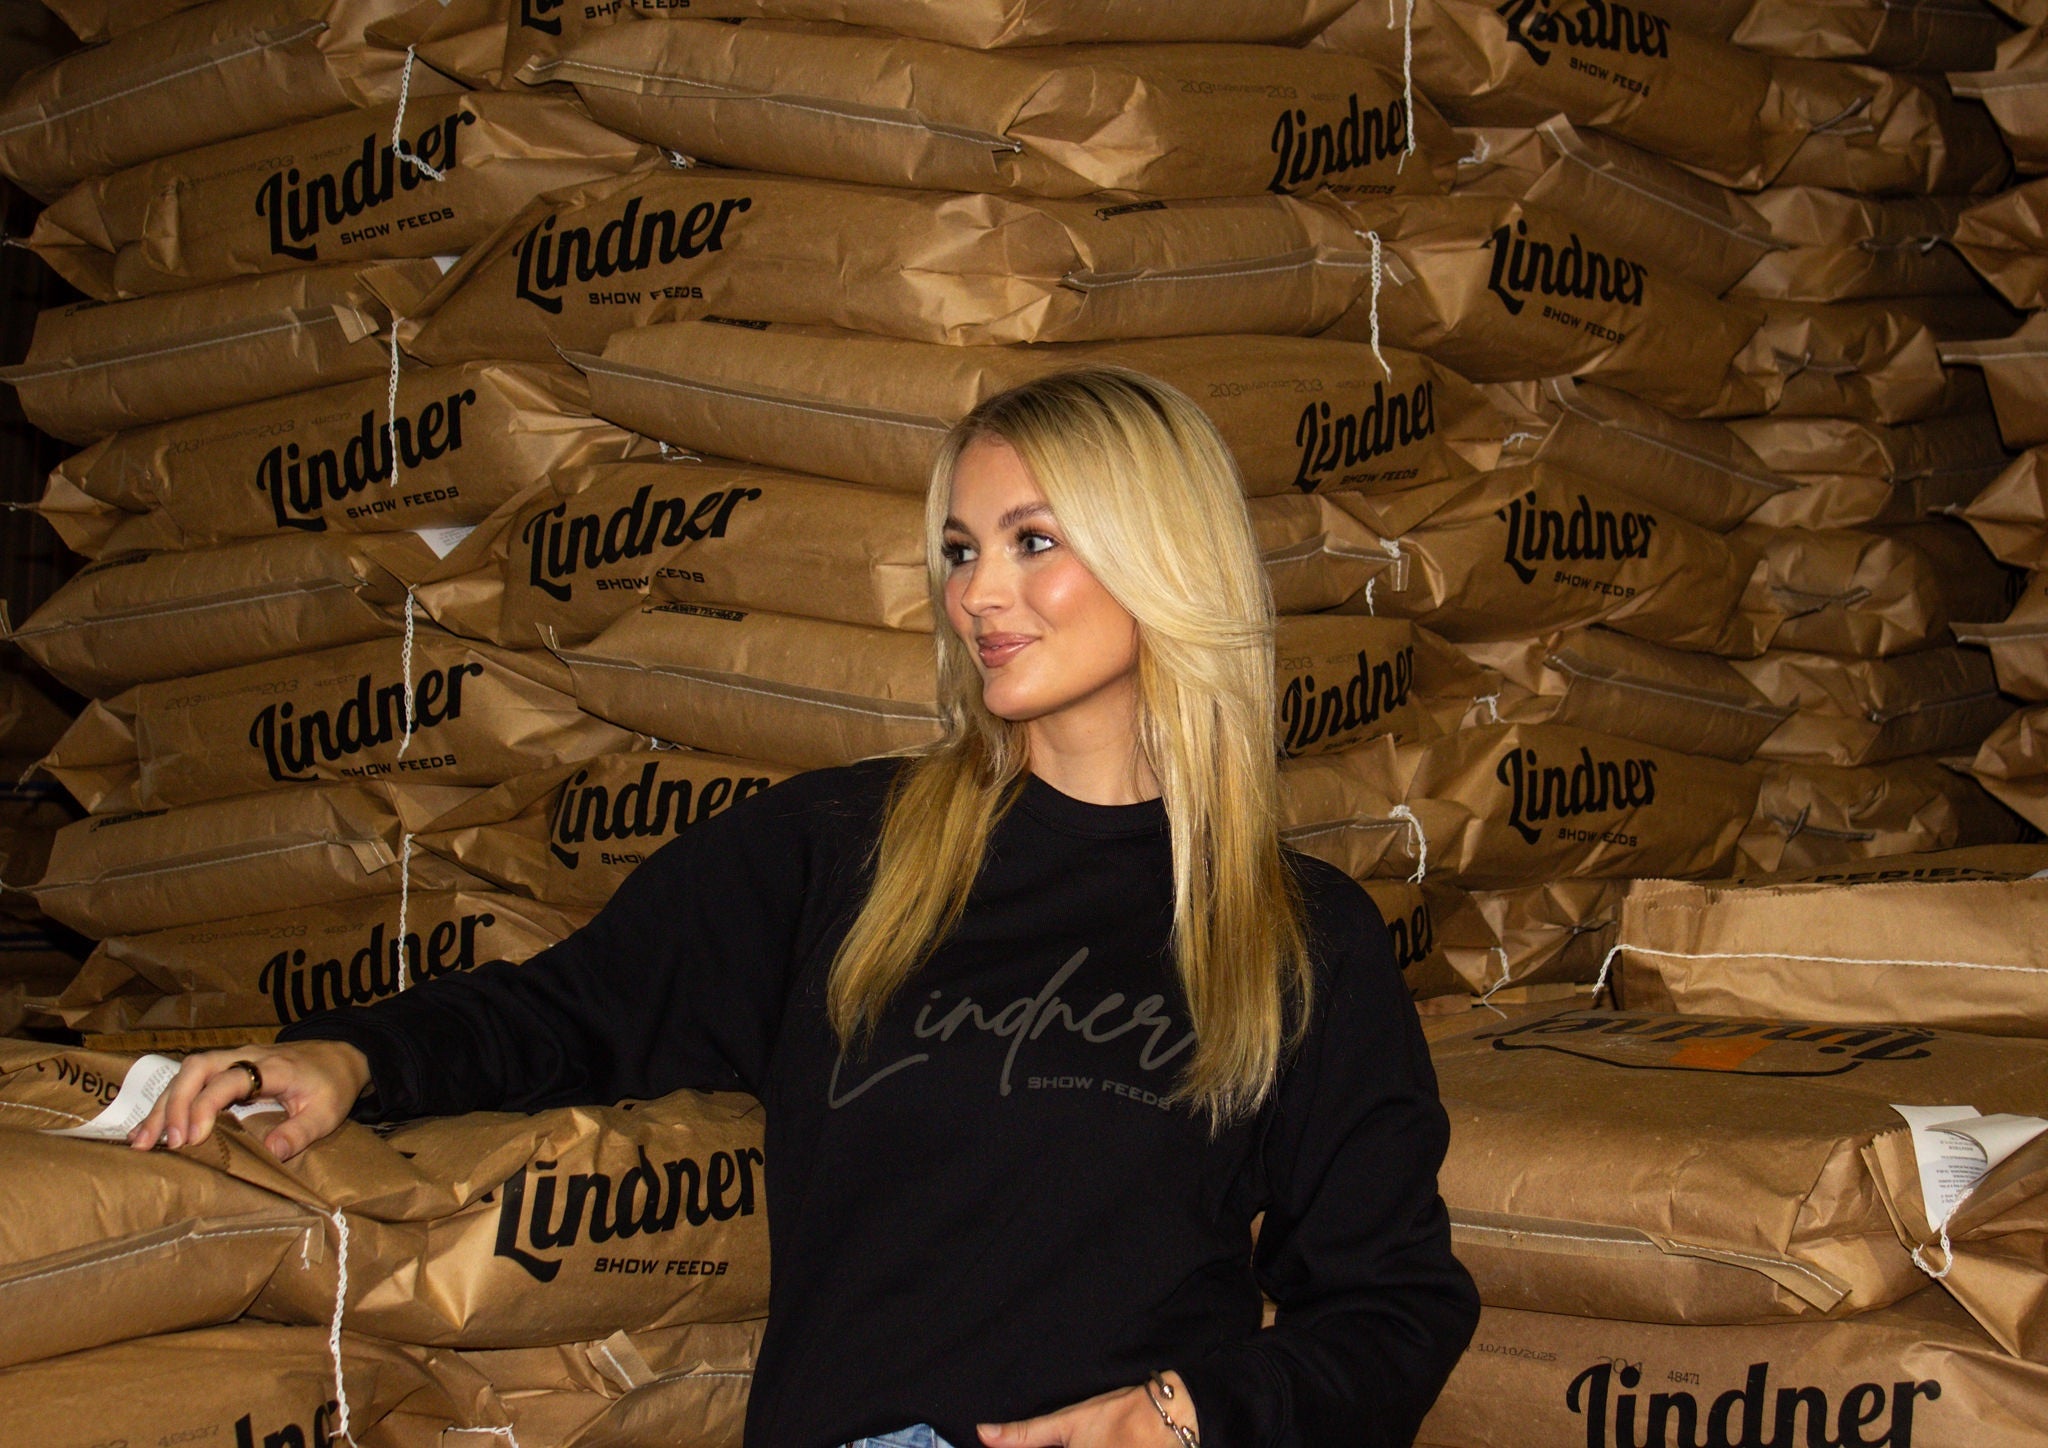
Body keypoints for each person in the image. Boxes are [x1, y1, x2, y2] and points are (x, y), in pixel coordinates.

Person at [129, 368, 1479, 1448]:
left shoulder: (1296, 934)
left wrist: (1187, 1417)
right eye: (959, 549)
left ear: (1163, 557)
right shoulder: (845, 851)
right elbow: (581, 1008)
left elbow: (1394, 1306)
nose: (977, 594)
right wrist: (352, 1056)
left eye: (1034, 543)